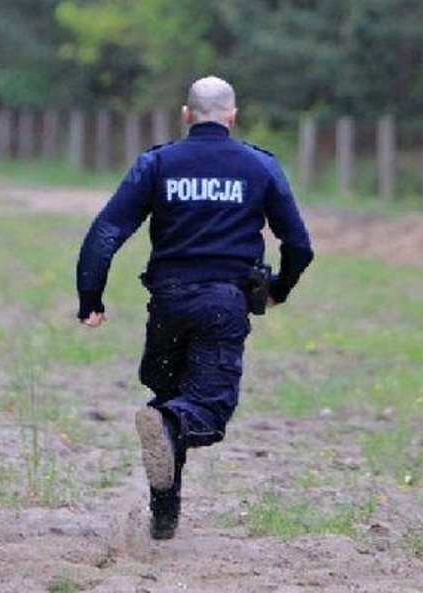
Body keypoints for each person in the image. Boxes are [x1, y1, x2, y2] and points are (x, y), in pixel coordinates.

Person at [75, 76, 313, 539]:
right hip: (223, 305)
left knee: (171, 400)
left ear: (187, 115)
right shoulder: (259, 167)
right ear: (232, 116)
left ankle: (164, 517)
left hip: (167, 301)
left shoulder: (158, 163)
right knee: (202, 408)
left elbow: (105, 234)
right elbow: (299, 244)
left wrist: (91, 299)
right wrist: (279, 289)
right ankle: (166, 429)